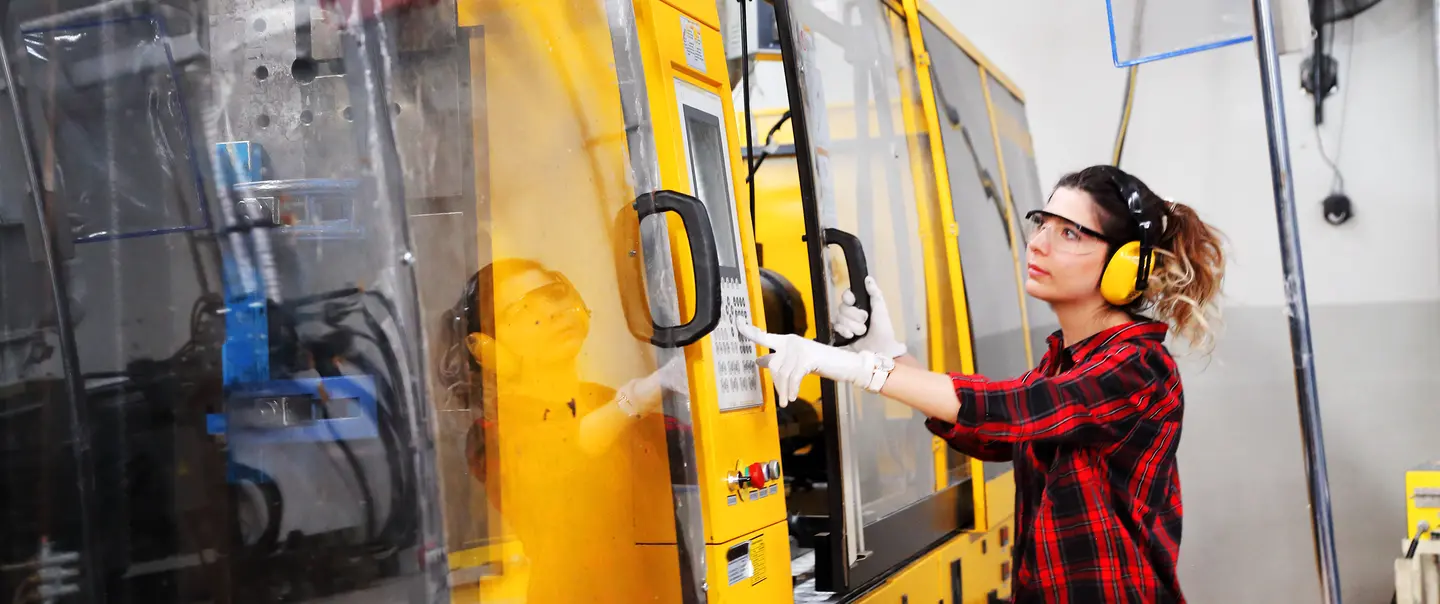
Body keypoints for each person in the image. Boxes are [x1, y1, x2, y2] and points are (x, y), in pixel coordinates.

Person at [739, 165, 1225, 603]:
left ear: (1127, 265)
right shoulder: (1068, 360)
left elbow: (1016, 410)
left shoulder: (1139, 367)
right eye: (1043, 223)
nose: (1039, 244)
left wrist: (864, 371)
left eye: (1071, 233)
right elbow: (995, 433)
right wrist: (889, 354)